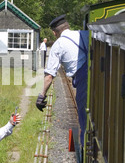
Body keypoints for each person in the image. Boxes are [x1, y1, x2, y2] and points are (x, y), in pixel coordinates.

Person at [36, 15, 89, 147]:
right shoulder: (84, 34)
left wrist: (41, 95)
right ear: (68, 26)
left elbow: (49, 76)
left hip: (83, 79)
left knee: (84, 118)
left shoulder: (58, 45)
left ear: (55, 32)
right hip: (99, 74)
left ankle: (84, 159)